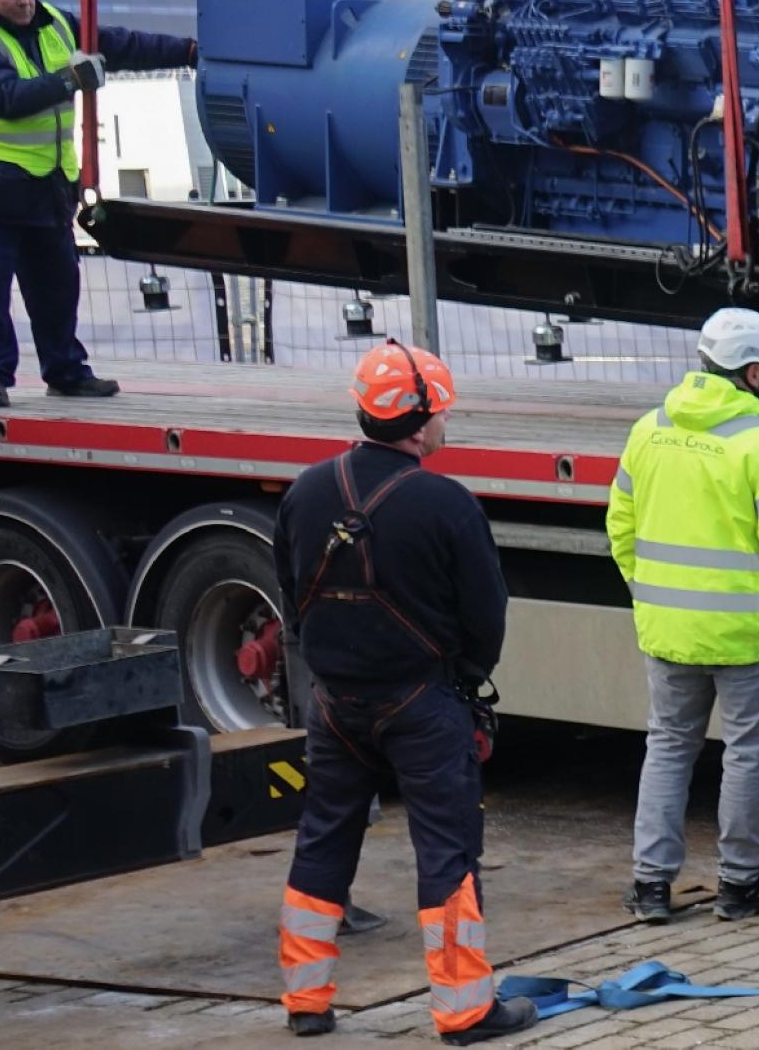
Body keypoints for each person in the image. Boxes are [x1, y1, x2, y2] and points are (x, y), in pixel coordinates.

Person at [272, 341, 536, 1044]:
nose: (447, 422)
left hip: (334, 704)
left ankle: (305, 1001)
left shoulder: (306, 489)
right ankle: (465, 1010)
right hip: (421, 703)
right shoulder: (445, 503)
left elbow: (290, 587)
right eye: (442, 410)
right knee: (447, 852)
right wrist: (468, 679)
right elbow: (487, 611)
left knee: (323, 839)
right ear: (419, 422)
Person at [607, 308, 759, 925]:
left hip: (667, 632)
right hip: (746, 638)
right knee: (748, 754)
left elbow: (620, 528)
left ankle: (650, 886)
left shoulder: (648, 430)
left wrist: (652, 594)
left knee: (668, 747)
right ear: (754, 371)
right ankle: (740, 884)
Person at [0, 0, 197, 408]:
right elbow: (4, 97)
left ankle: (66, 371)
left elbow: (121, 44)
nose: (23, 0)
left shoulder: (55, 21)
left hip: (45, 186)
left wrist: (190, 50)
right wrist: (71, 80)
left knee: (57, 286)